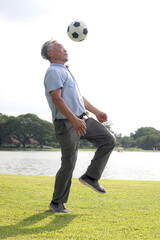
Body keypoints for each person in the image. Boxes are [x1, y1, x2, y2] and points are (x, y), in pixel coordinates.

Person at [41, 40, 115, 213]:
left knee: (108, 139)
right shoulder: (52, 71)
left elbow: (79, 98)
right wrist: (74, 119)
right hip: (66, 123)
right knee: (69, 162)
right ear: (51, 53)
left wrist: (96, 111)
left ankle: (91, 177)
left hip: (83, 119)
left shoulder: (66, 71)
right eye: (61, 47)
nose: (65, 50)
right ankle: (57, 203)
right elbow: (57, 99)